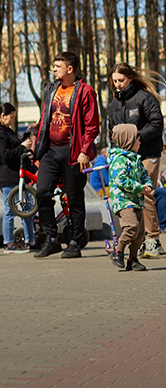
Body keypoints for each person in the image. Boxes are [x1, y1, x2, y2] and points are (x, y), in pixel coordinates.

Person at [33, 51, 100, 259]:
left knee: (75, 198)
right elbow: (45, 119)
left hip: (73, 152)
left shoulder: (85, 91)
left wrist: (84, 151)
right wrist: (37, 150)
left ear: (69, 69)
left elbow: (92, 125)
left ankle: (74, 242)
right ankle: (51, 238)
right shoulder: (51, 89)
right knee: (42, 192)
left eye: (57, 66)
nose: (53, 69)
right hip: (51, 151)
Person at [107, 63, 165, 258]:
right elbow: (112, 132)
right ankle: (138, 240)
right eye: (115, 81)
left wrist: (136, 136)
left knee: (146, 192)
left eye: (121, 80)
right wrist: (114, 152)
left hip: (148, 152)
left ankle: (153, 239)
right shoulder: (114, 104)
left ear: (130, 78)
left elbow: (157, 123)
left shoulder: (144, 98)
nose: (118, 85)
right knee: (133, 196)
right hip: (126, 158)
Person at [0, 103, 36, 253]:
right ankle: (8, 242)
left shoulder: (7, 131)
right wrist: (22, 146)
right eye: (11, 117)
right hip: (8, 176)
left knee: (28, 208)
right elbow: (6, 155)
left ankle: (30, 240)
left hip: (19, 175)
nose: (13, 120)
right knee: (10, 210)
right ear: (2, 116)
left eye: (14, 117)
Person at [108, 124, 152, 271]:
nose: (140, 142)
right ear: (128, 141)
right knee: (131, 226)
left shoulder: (136, 160)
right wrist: (140, 188)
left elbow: (144, 175)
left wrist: (148, 184)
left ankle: (132, 259)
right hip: (124, 201)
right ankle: (118, 251)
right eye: (137, 140)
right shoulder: (119, 160)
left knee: (139, 233)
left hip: (137, 200)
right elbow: (121, 180)